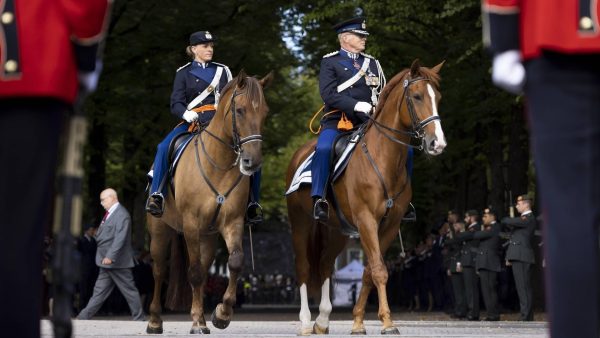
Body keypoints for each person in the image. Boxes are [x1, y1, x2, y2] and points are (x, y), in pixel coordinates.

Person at [483, 1, 600, 335]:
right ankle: (320, 194)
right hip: (344, 119)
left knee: (568, 212)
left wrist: (504, 41)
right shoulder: (334, 64)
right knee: (328, 147)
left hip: (557, 37)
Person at [0, 1, 111, 336]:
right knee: (17, 232)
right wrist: (86, 59)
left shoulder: (221, 71)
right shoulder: (186, 73)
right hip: (30, 65)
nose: (206, 49)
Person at [146, 31, 263, 221]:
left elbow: (232, 98)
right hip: (192, 122)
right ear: (193, 49)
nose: (210, 49)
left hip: (220, 123)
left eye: (211, 46)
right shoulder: (183, 72)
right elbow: (176, 102)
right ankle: (157, 194)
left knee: (252, 151)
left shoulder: (223, 70)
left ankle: (253, 202)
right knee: (163, 147)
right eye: (205, 46)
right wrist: (186, 113)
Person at [311, 16, 386, 221]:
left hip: (368, 123)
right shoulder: (330, 62)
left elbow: (382, 93)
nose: (364, 39)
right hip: (339, 121)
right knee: (324, 148)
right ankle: (319, 198)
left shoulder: (373, 63)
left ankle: (403, 200)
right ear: (344, 38)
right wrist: (355, 105)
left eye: (364, 36)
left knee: (404, 149)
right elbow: (328, 95)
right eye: (359, 35)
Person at [77, 188, 144, 321]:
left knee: (129, 290)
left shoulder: (122, 214)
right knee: (99, 292)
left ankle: (140, 318)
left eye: (103, 199)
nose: (101, 203)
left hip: (116, 261)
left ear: (113, 198)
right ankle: (83, 316)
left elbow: (121, 238)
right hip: (105, 261)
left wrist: (110, 256)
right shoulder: (111, 213)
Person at [501, 195, 535, 321]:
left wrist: (507, 219)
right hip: (518, 255)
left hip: (522, 256)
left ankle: (526, 315)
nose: (516, 206)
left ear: (526, 204)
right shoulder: (521, 220)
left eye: (518, 203)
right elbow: (514, 237)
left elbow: (508, 221)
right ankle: (527, 315)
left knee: (524, 287)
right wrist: (509, 256)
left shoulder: (528, 218)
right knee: (522, 287)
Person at [475, 207, 501, 321]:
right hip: (485, 262)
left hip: (490, 262)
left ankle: (494, 314)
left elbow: (477, 235)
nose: (483, 218)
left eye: (485, 216)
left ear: (492, 217)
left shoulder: (495, 227)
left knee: (490, 289)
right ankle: (491, 313)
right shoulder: (488, 228)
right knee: (486, 290)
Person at [459, 210, 481, 320]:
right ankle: (470, 310)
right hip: (467, 260)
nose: (465, 219)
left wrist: (462, 230)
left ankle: (474, 312)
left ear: (472, 217)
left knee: (472, 288)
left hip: (471, 260)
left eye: (467, 217)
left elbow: (462, 237)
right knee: (468, 288)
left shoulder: (475, 227)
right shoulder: (470, 228)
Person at [444, 220, 467, 319]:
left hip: (460, 263)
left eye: (456, 225)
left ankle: (462, 311)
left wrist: (459, 263)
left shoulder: (462, 236)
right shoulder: (457, 236)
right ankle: (458, 309)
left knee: (461, 290)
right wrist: (449, 266)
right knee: (457, 291)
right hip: (454, 264)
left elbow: (461, 251)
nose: (454, 226)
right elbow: (451, 252)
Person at [77, 224, 99, 311]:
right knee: (83, 288)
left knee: (90, 288)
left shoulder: (93, 241)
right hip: (83, 267)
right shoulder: (81, 240)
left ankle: (88, 308)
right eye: (90, 230)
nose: (92, 232)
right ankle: (81, 308)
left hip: (92, 267)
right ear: (86, 231)